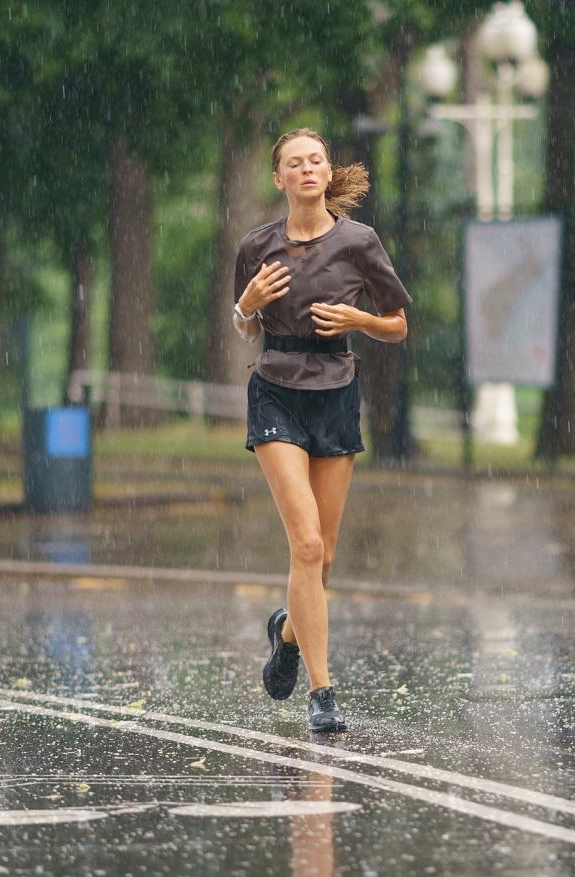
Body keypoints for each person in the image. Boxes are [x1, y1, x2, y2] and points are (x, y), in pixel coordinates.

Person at [233, 128, 410, 733]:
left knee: (325, 559)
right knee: (304, 544)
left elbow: (397, 324)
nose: (307, 170)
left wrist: (358, 318)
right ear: (278, 179)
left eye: (316, 160)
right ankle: (322, 692)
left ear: (327, 172)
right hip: (277, 390)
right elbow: (246, 330)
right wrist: (246, 305)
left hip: (336, 392)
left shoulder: (360, 242)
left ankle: (286, 633)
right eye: (294, 163)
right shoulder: (257, 246)